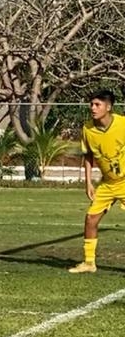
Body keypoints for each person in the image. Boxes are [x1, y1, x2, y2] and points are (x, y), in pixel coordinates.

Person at [68, 90, 125, 273]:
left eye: (97, 104)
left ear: (108, 107)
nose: (93, 108)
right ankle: (89, 263)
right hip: (108, 184)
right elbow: (88, 157)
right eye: (91, 104)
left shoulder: (122, 124)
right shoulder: (87, 129)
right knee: (91, 219)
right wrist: (88, 183)